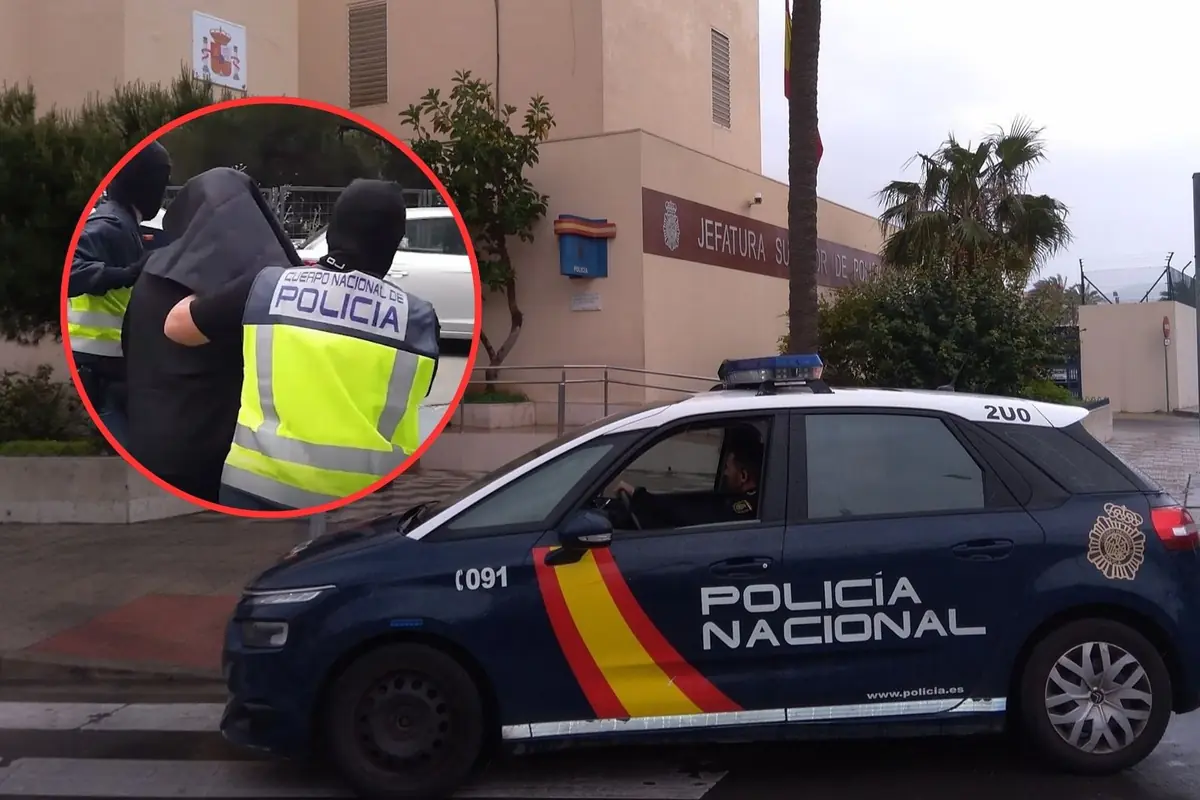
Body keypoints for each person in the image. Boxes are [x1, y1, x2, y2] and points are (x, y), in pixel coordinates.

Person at [162, 179, 441, 511]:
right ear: (393, 245)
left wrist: (214, 288)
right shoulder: (419, 319)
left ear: (333, 231)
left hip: (255, 488)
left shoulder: (268, 287)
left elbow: (176, 326)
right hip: (360, 502)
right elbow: (417, 395)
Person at [122, 167, 301, 502]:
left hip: (151, 444)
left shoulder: (153, 272)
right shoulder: (257, 287)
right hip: (218, 458)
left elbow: (131, 349)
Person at [66, 141, 171, 448]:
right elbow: (72, 270)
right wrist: (126, 274)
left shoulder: (126, 222)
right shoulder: (110, 223)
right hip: (98, 364)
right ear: (144, 182)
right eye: (159, 182)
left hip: (111, 362)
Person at [615, 429, 763, 528]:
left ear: (743, 476)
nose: (724, 474)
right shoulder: (742, 499)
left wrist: (639, 497)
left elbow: (692, 516)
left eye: (727, 468)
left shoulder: (744, 509)